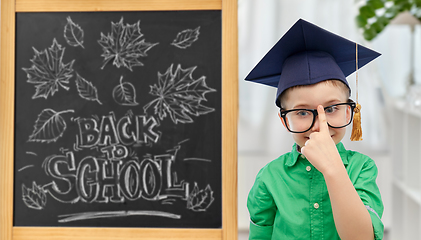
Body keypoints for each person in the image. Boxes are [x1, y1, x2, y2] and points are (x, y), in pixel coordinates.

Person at [245, 19, 384, 240]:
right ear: (284, 120)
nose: (321, 125)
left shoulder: (362, 169)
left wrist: (332, 169)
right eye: (302, 112)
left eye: (331, 109)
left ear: (349, 111)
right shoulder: (269, 177)